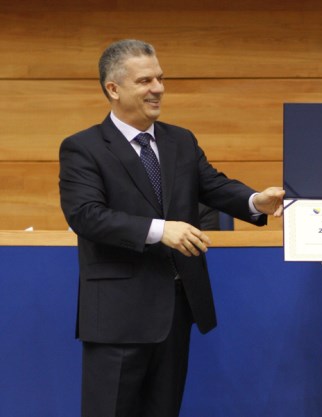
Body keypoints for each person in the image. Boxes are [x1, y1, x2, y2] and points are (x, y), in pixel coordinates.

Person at [58, 39, 284, 417]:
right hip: (117, 318)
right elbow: (85, 215)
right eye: (145, 80)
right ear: (113, 89)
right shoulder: (83, 147)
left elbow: (212, 185)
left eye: (160, 78)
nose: (158, 88)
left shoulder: (180, 139)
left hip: (176, 312)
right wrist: (161, 230)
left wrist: (254, 201)